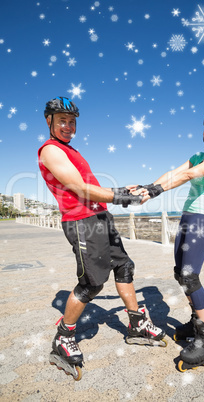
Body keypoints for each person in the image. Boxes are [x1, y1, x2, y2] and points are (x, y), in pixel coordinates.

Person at [38, 96, 166, 378]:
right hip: (81, 222)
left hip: (99, 217)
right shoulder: (50, 150)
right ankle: (63, 338)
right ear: (49, 121)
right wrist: (122, 197)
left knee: (124, 267)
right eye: (62, 121)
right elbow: (75, 186)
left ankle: (136, 324)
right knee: (92, 282)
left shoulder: (71, 150)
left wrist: (121, 189)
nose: (68, 126)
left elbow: (89, 186)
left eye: (72, 121)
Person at [134, 109, 204, 371]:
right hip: (189, 216)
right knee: (181, 274)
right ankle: (196, 322)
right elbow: (172, 173)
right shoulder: (198, 156)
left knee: (191, 277)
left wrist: (156, 191)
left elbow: (190, 175)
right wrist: (148, 187)